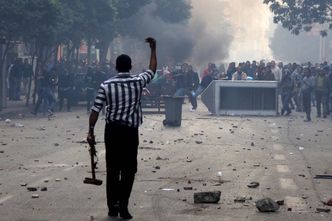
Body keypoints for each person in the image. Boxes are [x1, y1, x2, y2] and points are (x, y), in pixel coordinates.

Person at [87, 37, 157, 219]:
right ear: (131, 66)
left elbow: (95, 110)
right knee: (128, 170)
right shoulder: (138, 82)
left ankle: (113, 206)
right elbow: (152, 70)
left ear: (116, 67)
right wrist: (153, 49)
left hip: (112, 132)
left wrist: (90, 132)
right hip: (130, 133)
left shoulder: (106, 85)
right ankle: (124, 205)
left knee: (112, 169)